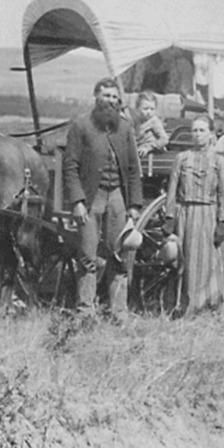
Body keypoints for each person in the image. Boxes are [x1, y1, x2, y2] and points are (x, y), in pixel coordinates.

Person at [63, 77, 143, 319]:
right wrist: (77, 201)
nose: (111, 101)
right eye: (106, 96)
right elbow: (71, 166)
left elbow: (132, 169)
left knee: (119, 255)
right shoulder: (81, 125)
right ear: (96, 96)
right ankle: (86, 311)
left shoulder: (125, 128)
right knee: (88, 255)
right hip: (91, 198)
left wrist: (135, 205)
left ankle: (119, 312)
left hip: (118, 197)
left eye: (115, 97)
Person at [162, 116, 224, 315]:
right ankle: (185, 306)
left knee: (211, 261)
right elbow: (172, 189)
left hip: (209, 215)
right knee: (187, 261)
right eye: (194, 130)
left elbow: (223, 193)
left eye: (202, 130)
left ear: (211, 134)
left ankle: (212, 305)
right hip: (187, 214)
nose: (198, 135)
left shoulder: (219, 161)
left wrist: (222, 221)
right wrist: (170, 217)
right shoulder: (182, 158)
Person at [131, 90, 169, 157]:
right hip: (139, 150)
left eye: (152, 109)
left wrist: (148, 147)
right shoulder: (136, 121)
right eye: (145, 109)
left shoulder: (154, 121)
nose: (149, 112)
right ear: (137, 108)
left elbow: (165, 139)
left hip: (154, 152)